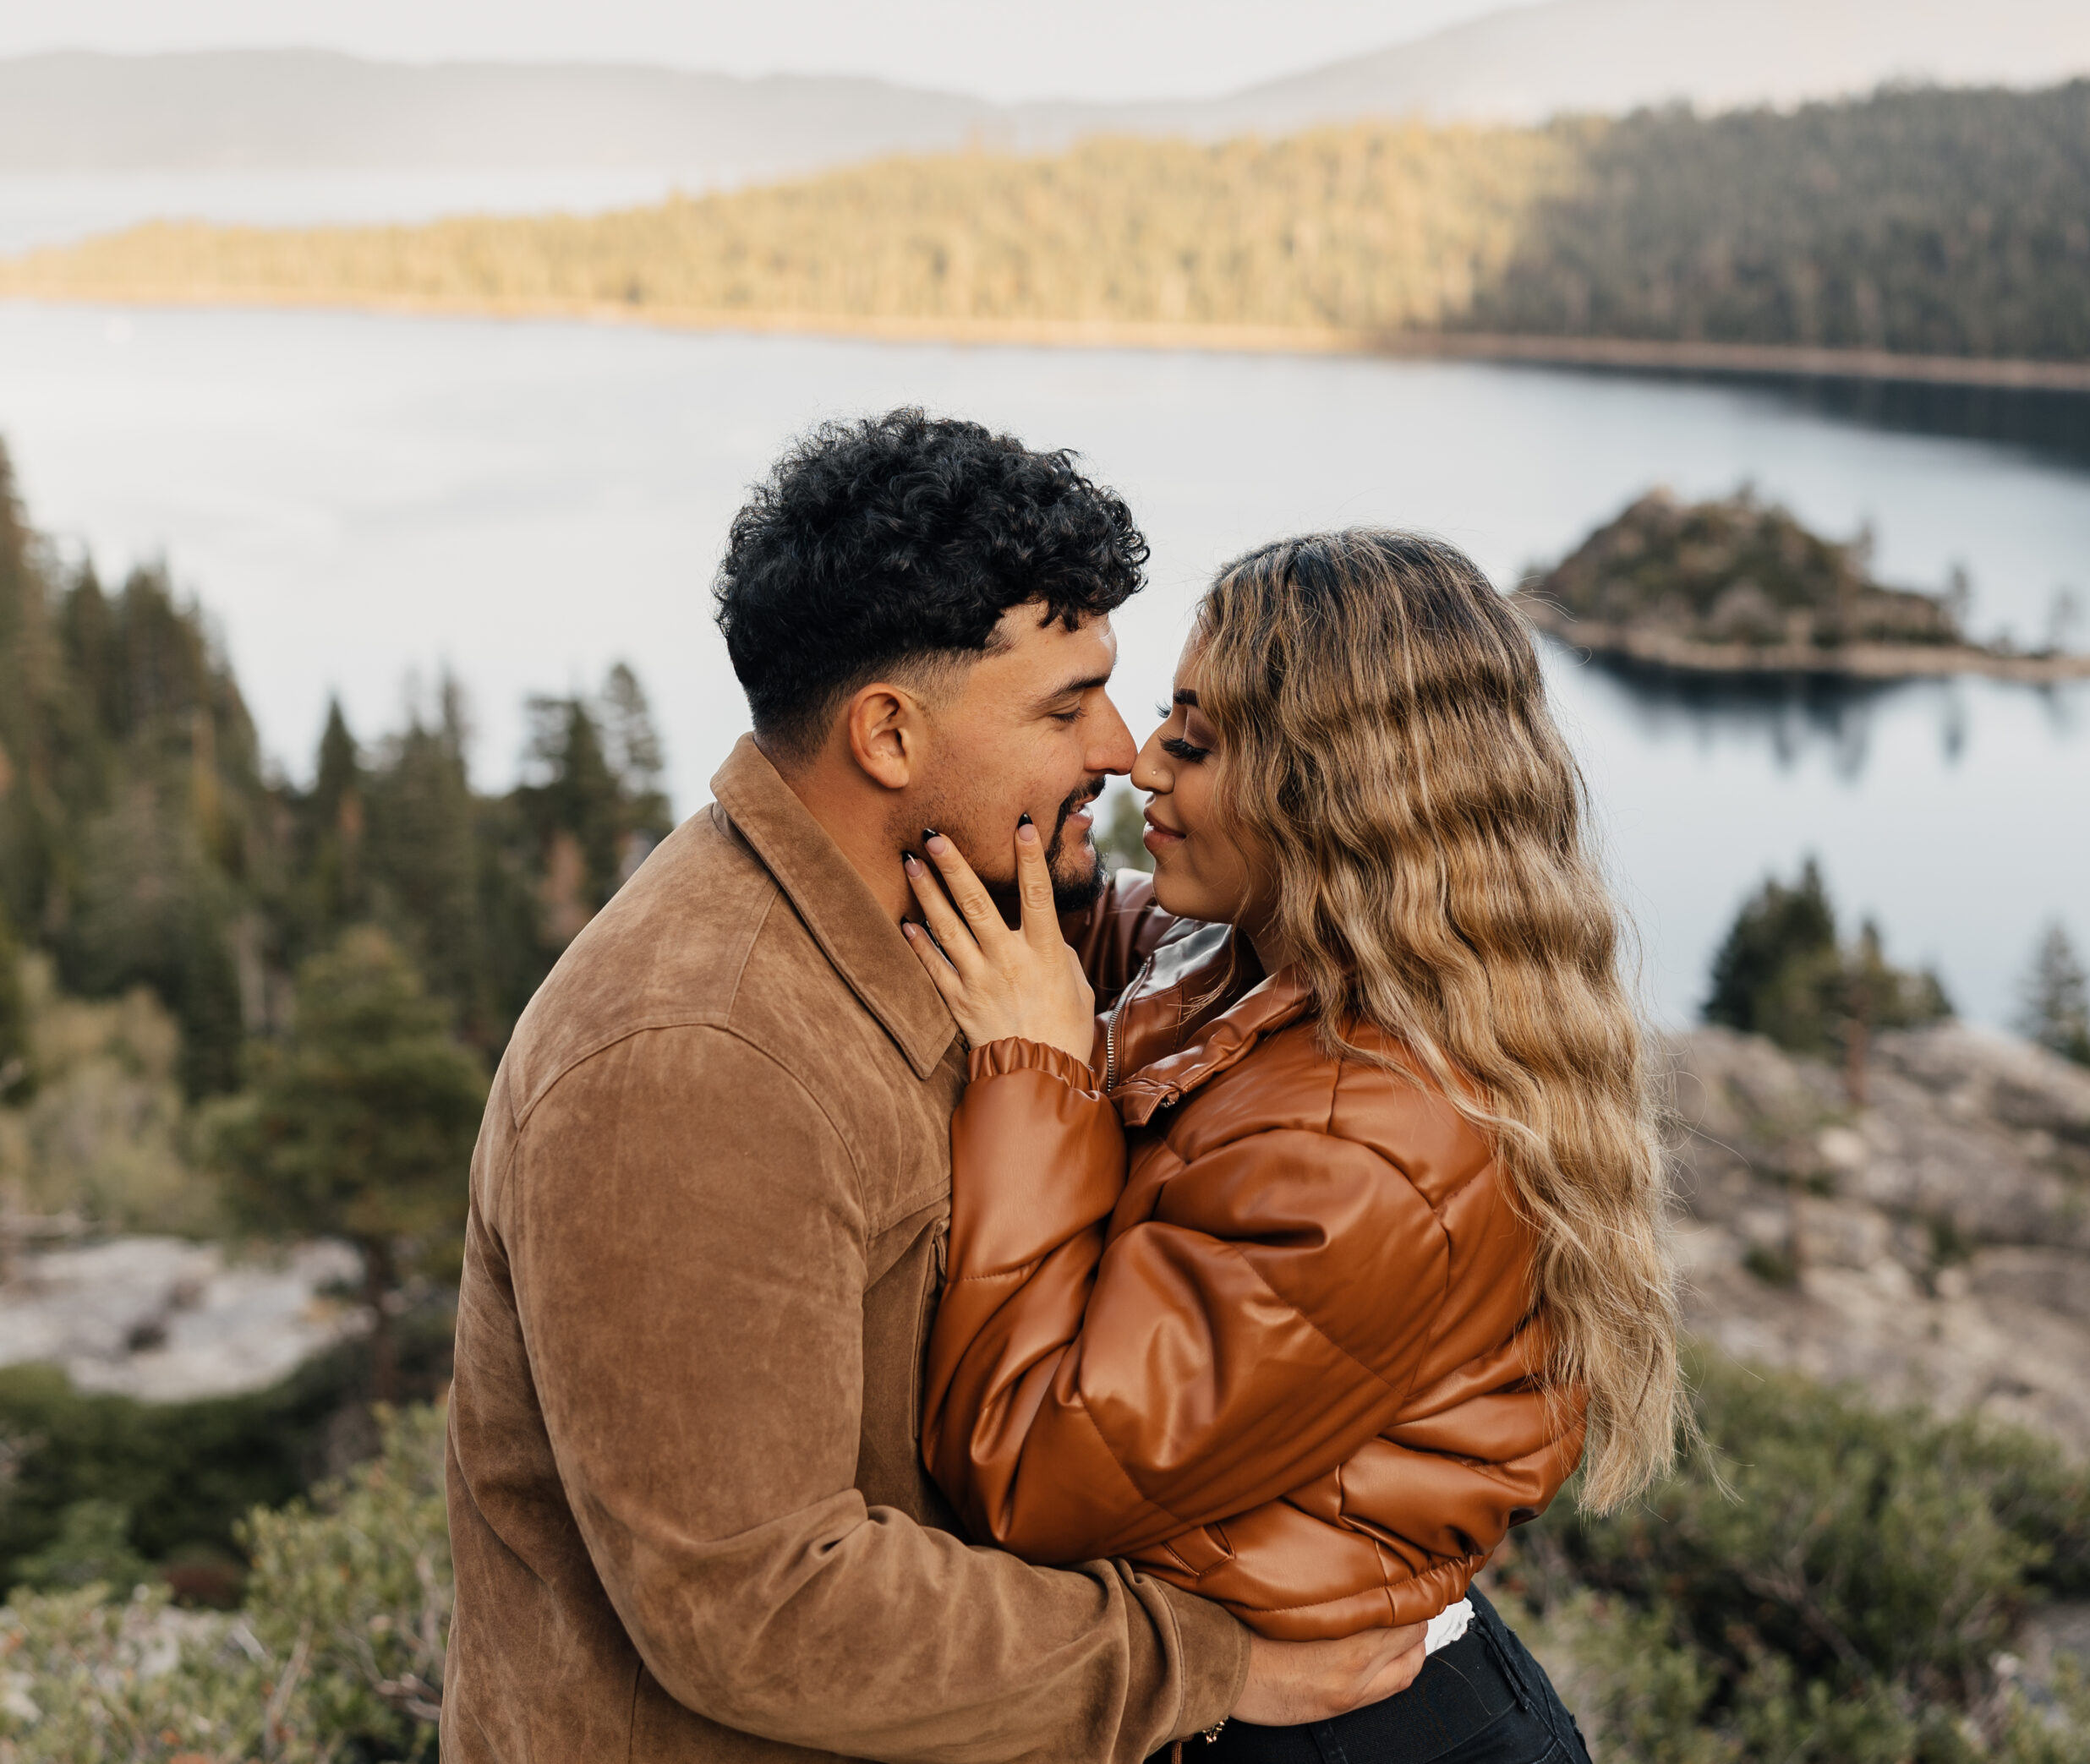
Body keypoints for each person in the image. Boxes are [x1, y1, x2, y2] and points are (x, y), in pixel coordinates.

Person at [440, 414, 1431, 1763]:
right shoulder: (696, 1060)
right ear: (890, 735)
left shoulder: (960, 908)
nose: (1123, 749)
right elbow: (762, 1608)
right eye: (1064, 704)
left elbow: (1191, 944)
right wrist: (1205, 1661)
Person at [902, 529, 1685, 1764]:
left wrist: (1035, 1072)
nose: (1138, 763)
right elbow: (1114, 937)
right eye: (1167, 715)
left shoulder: (1372, 1149)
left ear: (1337, 797)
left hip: (1348, 1737)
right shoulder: (1263, 953)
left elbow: (1037, 1469)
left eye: (1197, 745)